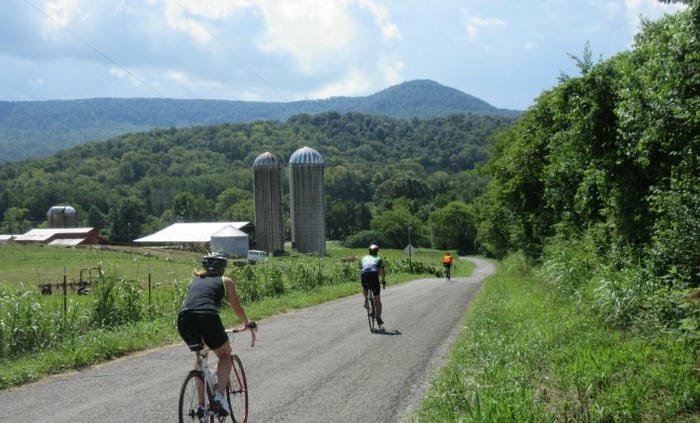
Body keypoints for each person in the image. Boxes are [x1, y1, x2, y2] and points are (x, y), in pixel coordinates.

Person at [178, 252, 256, 416]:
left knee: (200, 357)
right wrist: (247, 323)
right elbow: (237, 308)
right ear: (223, 268)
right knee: (225, 355)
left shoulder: (195, 280)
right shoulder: (225, 280)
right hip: (208, 317)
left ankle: (201, 406)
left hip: (184, 319)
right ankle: (219, 397)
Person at [360, 244, 386, 330]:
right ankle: (378, 319)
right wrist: (383, 280)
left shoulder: (363, 258)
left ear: (368, 251)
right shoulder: (379, 258)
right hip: (374, 276)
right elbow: (382, 271)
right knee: (377, 300)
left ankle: (365, 300)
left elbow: (362, 269)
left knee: (364, 286)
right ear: (377, 251)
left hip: (364, 275)